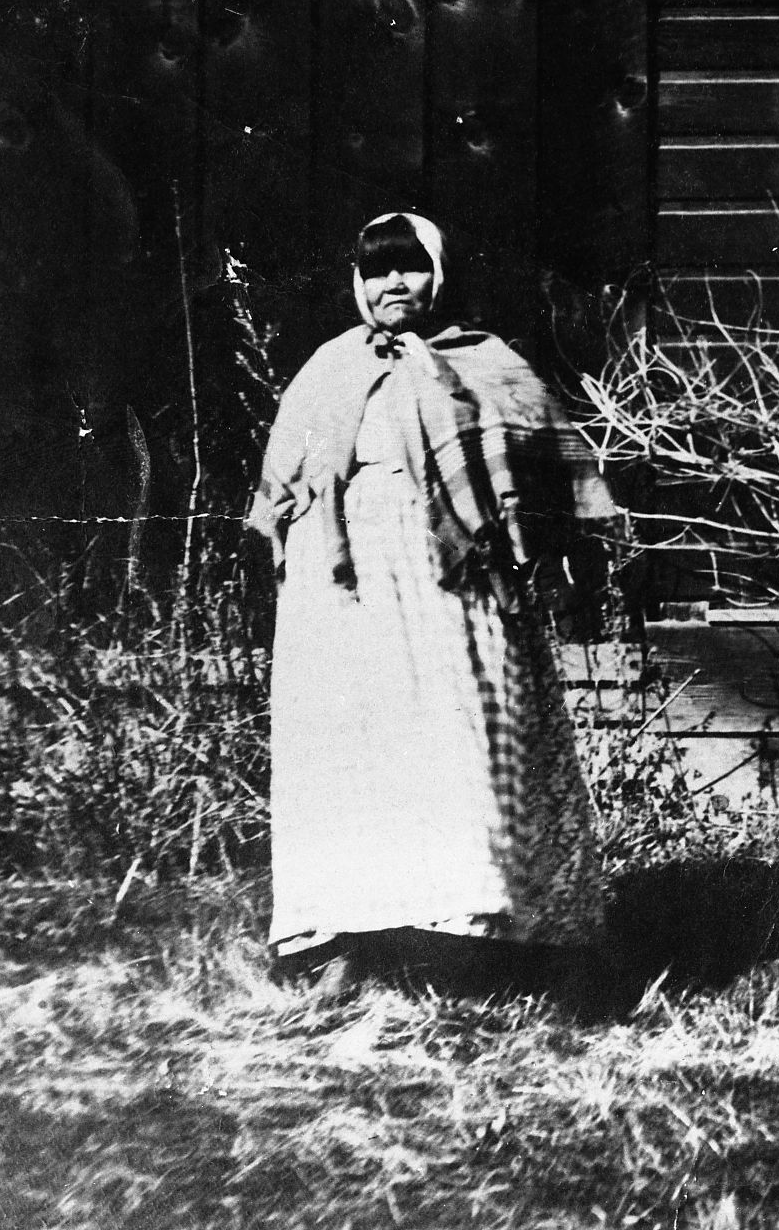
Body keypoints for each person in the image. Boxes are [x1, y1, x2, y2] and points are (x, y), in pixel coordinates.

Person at [248, 212, 619, 998]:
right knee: (355, 755)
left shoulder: (487, 365)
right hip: (344, 596)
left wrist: (535, 545)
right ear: (357, 281)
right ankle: (351, 936)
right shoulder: (327, 369)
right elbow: (283, 489)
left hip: (451, 584)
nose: (393, 285)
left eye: (410, 268)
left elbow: (546, 474)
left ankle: (479, 941)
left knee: (462, 742)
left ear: (440, 275)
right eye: (376, 270)